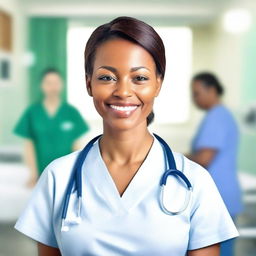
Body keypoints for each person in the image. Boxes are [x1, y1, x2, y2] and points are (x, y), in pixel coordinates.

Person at [14, 17, 238, 256]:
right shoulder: (57, 178)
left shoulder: (195, 181)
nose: (122, 91)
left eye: (140, 78)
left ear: (158, 84)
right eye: (106, 77)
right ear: (88, 84)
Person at [188, 72, 243, 256]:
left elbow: (203, 158)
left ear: (211, 90)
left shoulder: (217, 116)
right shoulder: (222, 115)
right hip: (223, 195)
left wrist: (175, 158)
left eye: (196, 93)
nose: (194, 99)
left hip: (219, 196)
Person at [14, 68, 89, 187]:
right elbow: (29, 145)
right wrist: (33, 174)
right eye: (48, 83)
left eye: (56, 83)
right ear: (42, 86)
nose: (52, 87)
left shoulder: (71, 112)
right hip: (41, 175)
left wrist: (77, 172)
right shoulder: (32, 112)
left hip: (67, 174)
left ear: (61, 85)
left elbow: (76, 146)